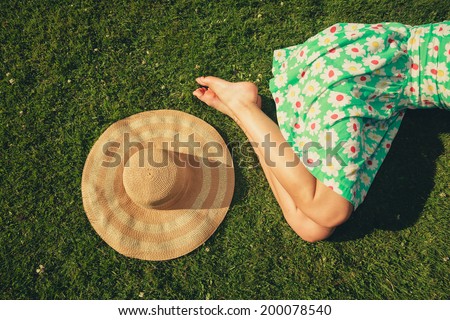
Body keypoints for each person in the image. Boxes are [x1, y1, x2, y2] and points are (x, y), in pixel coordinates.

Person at [192, 21, 450, 242]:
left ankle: (247, 117)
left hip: (377, 80)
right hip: (358, 73)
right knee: (328, 210)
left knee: (311, 227)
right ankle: (243, 107)